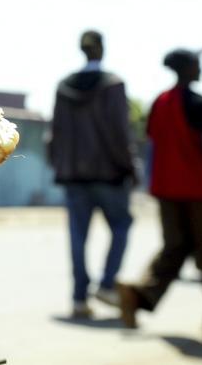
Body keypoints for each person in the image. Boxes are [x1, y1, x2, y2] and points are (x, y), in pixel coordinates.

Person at [117, 49, 202, 340]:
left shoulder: (160, 102)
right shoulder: (200, 103)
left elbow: (152, 141)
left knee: (175, 248)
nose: (200, 69)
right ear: (188, 69)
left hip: (167, 190)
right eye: (197, 65)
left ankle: (137, 295)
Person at [48, 30, 136, 318]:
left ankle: (78, 298)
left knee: (77, 237)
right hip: (109, 174)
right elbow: (120, 133)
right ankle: (107, 284)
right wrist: (129, 167)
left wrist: (59, 165)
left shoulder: (63, 87)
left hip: (74, 176)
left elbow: (55, 133)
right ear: (102, 50)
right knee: (122, 225)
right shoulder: (113, 85)